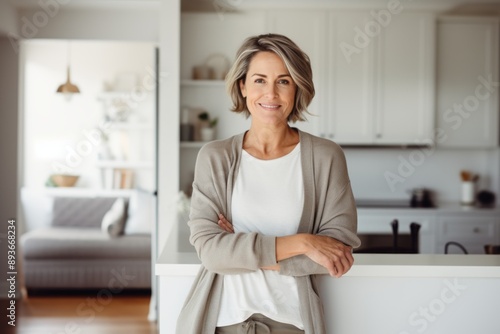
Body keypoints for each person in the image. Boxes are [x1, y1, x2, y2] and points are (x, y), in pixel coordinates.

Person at [176, 33, 361, 334]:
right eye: (260, 80)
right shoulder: (215, 157)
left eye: (283, 81)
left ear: (297, 87)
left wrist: (239, 247)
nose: (271, 94)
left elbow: (336, 253)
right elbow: (211, 252)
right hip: (222, 323)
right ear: (243, 86)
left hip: (293, 324)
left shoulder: (326, 157)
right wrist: (304, 242)